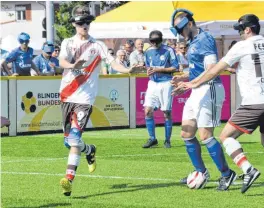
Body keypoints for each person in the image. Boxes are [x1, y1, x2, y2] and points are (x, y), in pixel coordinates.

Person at [173, 14, 264, 193]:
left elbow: (214, 69)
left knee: (226, 136)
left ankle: (248, 170)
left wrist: (192, 83)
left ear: (248, 29)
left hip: (255, 101)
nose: (239, 33)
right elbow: (252, 65)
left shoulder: (242, 46)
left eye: (240, 30)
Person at [58, 5, 137, 196]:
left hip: (85, 98)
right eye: (80, 23)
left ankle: (68, 180)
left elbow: (113, 63)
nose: (84, 26)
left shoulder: (98, 45)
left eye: (87, 22)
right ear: (74, 24)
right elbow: (61, 61)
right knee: (69, 142)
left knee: (74, 138)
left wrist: (127, 70)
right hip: (67, 95)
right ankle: (90, 150)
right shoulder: (68, 42)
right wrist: (72, 65)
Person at [170, 9, 237, 191]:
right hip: (197, 89)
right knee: (186, 133)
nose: (181, 35)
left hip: (209, 89)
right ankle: (201, 172)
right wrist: (183, 78)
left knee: (205, 135)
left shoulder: (205, 39)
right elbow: (197, 70)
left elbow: (212, 69)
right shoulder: (192, 43)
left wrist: (191, 84)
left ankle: (227, 174)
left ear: (190, 24)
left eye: (181, 31)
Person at [142, 30, 179, 149]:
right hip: (153, 83)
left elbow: (175, 67)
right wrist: (146, 70)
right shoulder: (148, 51)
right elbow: (148, 66)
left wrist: (158, 69)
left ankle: (167, 140)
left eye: (156, 41)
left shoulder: (169, 50)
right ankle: (152, 138)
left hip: (166, 83)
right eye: (152, 41)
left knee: (166, 112)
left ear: (161, 40)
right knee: (147, 110)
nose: (154, 44)